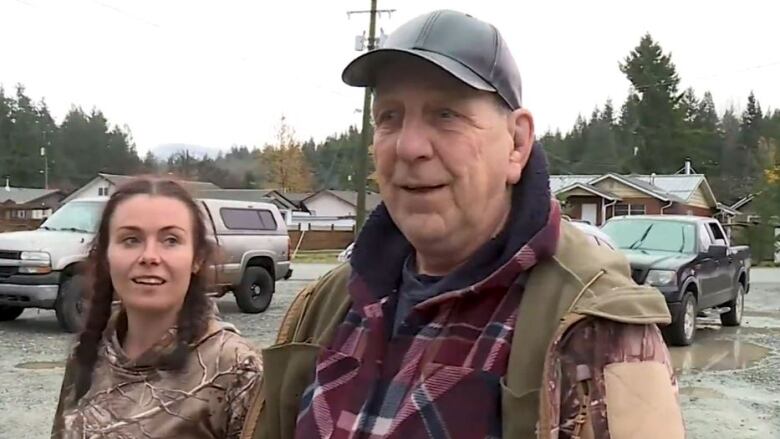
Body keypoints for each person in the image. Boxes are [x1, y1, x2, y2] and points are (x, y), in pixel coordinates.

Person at [241, 9, 685, 439]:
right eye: (389, 117)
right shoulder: (325, 305)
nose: (409, 147)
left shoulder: (595, 326)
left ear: (516, 143)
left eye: (446, 115)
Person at [51, 178, 262, 439]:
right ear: (105, 256)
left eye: (171, 240)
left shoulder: (236, 367)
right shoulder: (87, 351)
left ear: (197, 258)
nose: (149, 256)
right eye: (130, 240)